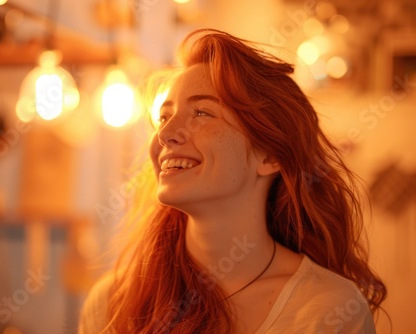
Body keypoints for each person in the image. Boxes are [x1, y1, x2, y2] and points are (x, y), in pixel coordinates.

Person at [79, 28, 386, 333]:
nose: (165, 134)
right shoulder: (112, 304)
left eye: (201, 112)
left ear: (269, 156)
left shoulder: (329, 311)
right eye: (164, 116)